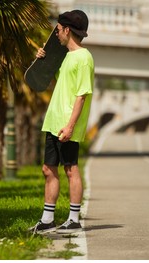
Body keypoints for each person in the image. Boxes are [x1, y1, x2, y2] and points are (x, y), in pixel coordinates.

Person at [29, 10, 94, 234]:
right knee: (48, 169)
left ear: (67, 30)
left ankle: (74, 219)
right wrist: (41, 60)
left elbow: (82, 95)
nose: (55, 34)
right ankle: (47, 219)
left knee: (70, 169)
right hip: (53, 120)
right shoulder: (66, 57)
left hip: (67, 123)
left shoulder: (84, 58)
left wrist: (71, 126)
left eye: (57, 30)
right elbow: (54, 81)